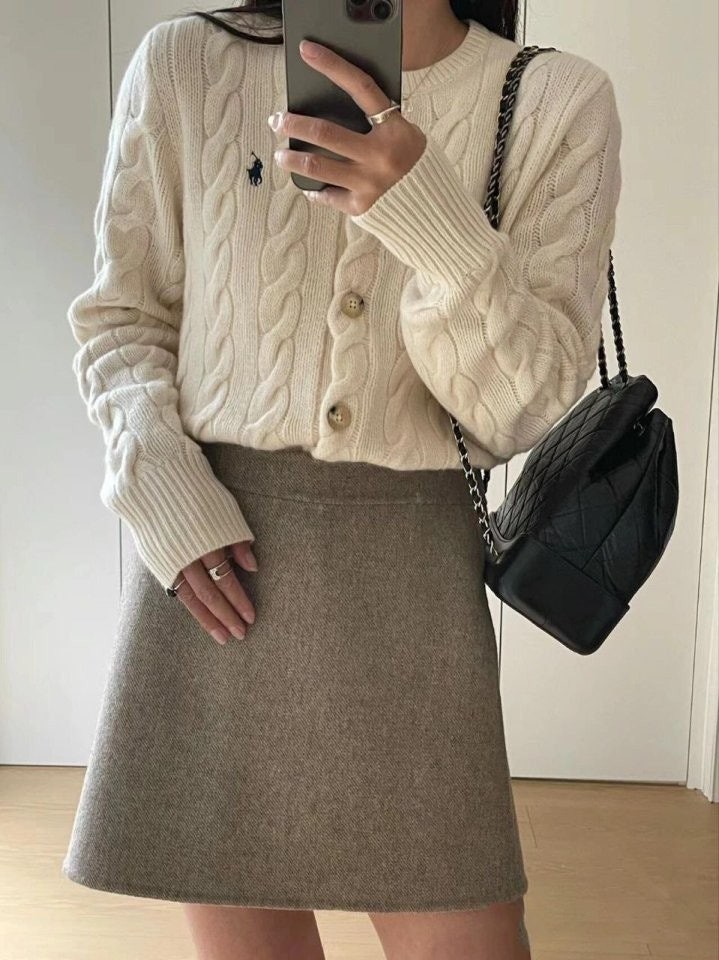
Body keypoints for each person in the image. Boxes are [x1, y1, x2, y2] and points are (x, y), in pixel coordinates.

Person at [61, 1, 621, 958]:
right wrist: (162, 492)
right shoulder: (185, 63)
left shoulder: (555, 100)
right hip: (216, 565)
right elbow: (122, 320)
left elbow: (517, 409)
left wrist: (429, 215)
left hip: (411, 581)